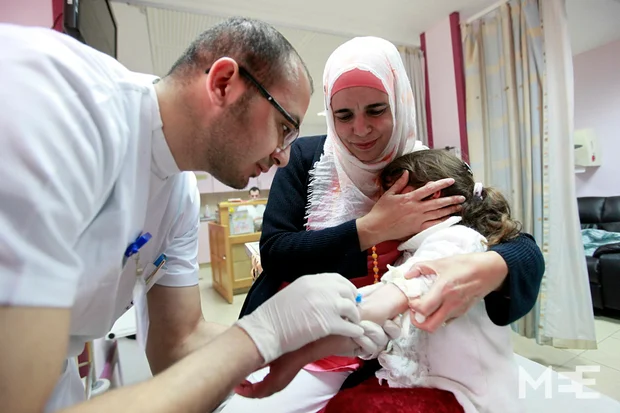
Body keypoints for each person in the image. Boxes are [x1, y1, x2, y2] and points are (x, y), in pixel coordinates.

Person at [0, 19, 389, 413]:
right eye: (284, 128)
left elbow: (178, 345)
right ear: (223, 84)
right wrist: (264, 333)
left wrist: (301, 344)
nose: (284, 156)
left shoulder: (179, 195)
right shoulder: (59, 103)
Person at [234, 36, 544, 411]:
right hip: (310, 332)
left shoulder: (425, 167)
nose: (360, 129)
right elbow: (276, 252)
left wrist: (493, 265)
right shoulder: (307, 158)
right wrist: (372, 228)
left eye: (376, 110)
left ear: (400, 102)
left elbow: (499, 233)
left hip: (386, 345)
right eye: (343, 115)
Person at [232, 149, 527, 413]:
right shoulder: (407, 254)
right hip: (424, 383)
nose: (381, 208)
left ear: (433, 195)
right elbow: (377, 331)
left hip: (467, 396)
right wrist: (298, 355)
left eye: (391, 195)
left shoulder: (457, 240)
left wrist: (296, 350)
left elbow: (390, 299)